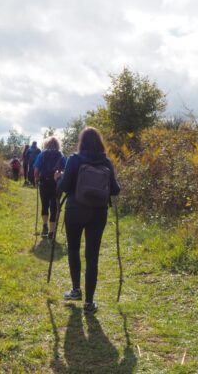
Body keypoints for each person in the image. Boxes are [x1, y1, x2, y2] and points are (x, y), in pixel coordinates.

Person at [55, 127, 120, 314]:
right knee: (92, 256)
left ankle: (76, 290)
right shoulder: (106, 161)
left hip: (75, 210)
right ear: (99, 142)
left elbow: (65, 186)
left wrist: (58, 179)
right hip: (98, 213)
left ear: (81, 142)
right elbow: (115, 190)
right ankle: (89, 302)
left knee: (73, 249)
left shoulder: (74, 159)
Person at [33, 137, 66, 239]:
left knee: (44, 205)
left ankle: (44, 225)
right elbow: (65, 170)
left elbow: (36, 169)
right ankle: (52, 232)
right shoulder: (61, 155)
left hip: (44, 183)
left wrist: (36, 179)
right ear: (57, 144)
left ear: (46, 144)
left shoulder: (42, 154)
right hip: (56, 184)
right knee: (54, 208)